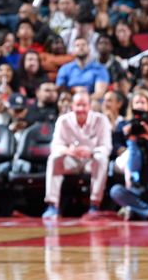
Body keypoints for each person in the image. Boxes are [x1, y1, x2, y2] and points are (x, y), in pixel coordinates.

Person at [42, 91, 112, 219]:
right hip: (72, 160)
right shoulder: (63, 120)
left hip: (91, 160)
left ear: (90, 106)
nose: (80, 109)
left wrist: (90, 151)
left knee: (101, 158)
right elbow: (55, 146)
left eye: (84, 105)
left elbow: (106, 147)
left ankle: (94, 204)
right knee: (54, 158)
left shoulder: (101, 120)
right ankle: (52, 205)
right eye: (78, 105)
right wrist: (69, 151)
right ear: (72, 106)